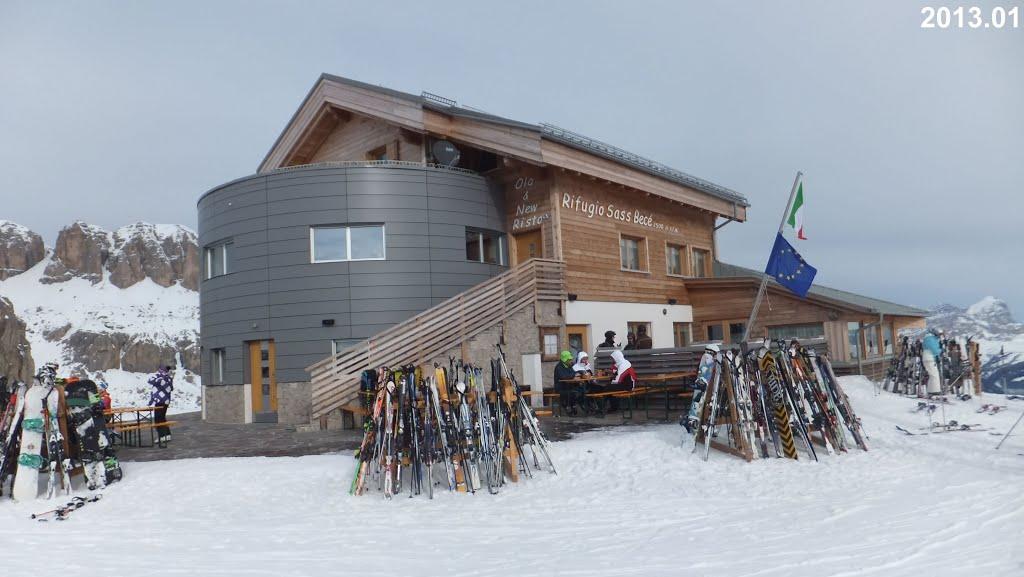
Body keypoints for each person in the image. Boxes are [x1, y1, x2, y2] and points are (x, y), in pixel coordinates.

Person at [683, 344, 719, 433]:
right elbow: (703, 371)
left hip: (709, 387)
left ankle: (696, 420)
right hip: (703, 386)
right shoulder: (707, 357)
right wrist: (701, 380)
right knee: (698, 399)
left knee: (702, 400)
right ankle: (692, 419)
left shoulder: (709, 359)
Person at [148, 365, 174, 442]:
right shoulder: (167, 378)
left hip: (160, 401)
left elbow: (150, 380)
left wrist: (158, 377)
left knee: (158, 419)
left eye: (159, 370)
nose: (158, 372)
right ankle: (167, 435)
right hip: (164, 401)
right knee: (162, 418)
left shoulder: (163, 379)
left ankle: (162, 436)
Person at [553, 351, 578, 416]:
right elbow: (563, 377)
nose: (570, 361)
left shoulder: (569, 366)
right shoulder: (559, 367)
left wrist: (572, 376)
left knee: (577, 391)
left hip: (569, 385)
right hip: (560, 387)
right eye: (569, 360)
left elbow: (573, 373)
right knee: (568, 393)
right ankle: (567, 407)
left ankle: (574, 406)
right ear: (565, 360)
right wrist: (572, 376)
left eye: (570, 359)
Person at [921, 329, 942, 396]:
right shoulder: (931, 339)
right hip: (930, 358)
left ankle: (931, 390)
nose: (939, 336)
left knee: (932, 374)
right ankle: (935, 391)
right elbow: (934, 349)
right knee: (934, 374)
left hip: (927, 358)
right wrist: (940, 350)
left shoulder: (927, 338)